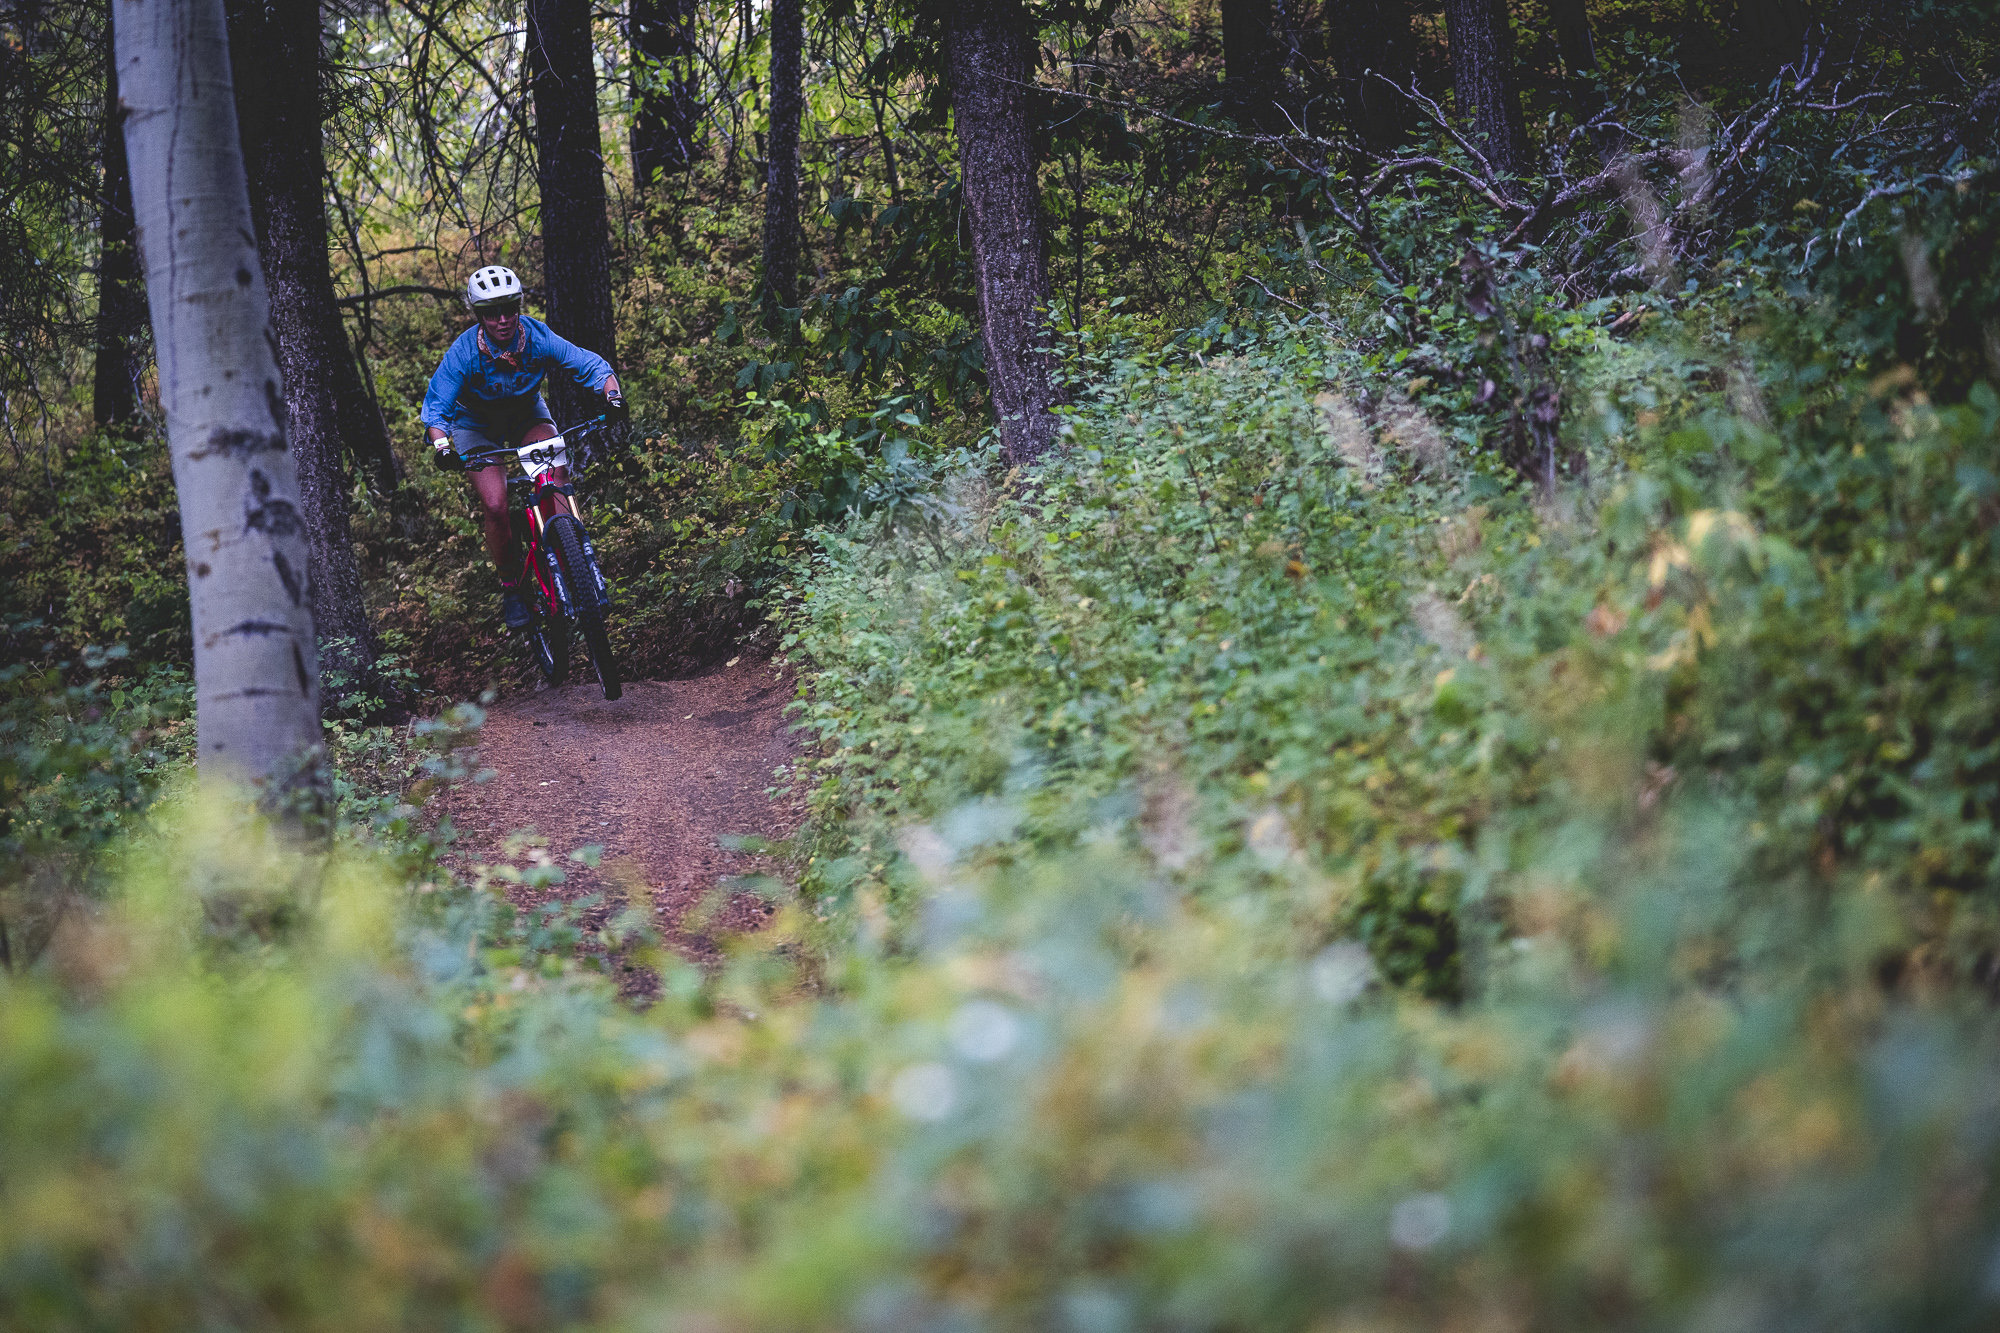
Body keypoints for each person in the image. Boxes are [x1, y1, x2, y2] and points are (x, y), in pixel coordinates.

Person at [422, 264, 628, 629]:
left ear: (519, 307)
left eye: (509, 309)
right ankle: (512, 589)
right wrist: (443, 448)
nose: (502, 319)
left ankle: (573, 553)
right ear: (479, 315)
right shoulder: (464, 353)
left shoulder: (536, 336)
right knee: (496, 505)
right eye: (491, 312)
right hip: (475, 424)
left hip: (525, 413)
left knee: (555, 475)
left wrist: (611, 396)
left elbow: (590, 365)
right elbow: (437, 409)